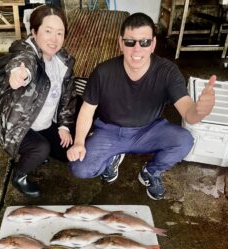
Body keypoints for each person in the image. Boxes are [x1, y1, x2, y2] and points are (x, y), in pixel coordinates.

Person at [67, 12, 216, 200]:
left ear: (153, 44)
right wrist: (79, 142)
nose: (137, 49)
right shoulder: (103, 71)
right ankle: (112, 157)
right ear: (121, 43)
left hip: (149, 130)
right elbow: (87, 110)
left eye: (144, 42)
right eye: (130, 42)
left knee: (184, 140)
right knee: (80, 168)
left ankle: (150, 172)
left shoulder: (168, 71)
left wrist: (200, 111)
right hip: (110, 131)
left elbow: (188, 113)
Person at [0, 5, 76, 198]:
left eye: (60, 33)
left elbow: (68, 97)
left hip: (43, 123)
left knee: (67, 151)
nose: (54, 39)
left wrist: (64, 127)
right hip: (17, 126)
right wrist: (19, 75)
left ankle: (38, 152)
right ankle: (19, 176)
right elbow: (22, 61)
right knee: (41, 148)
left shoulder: (64, 61)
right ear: (34, 32)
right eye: (48, 31)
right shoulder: (27, 54)